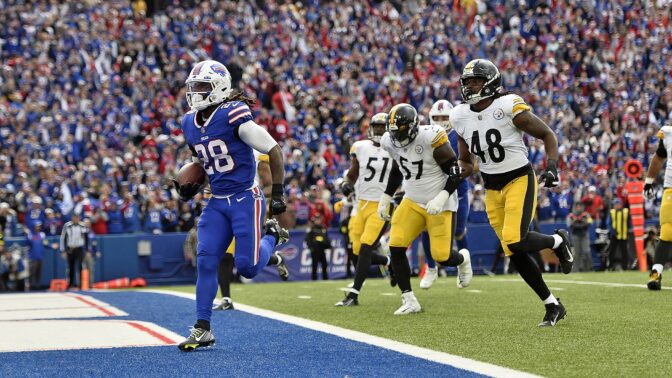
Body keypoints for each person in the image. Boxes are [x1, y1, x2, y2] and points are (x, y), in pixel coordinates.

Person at [173, 60, 289, 351]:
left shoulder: (234, 113)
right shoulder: (189, 122)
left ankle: (272, 237)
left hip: (244, 198)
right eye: (194, 86)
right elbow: (203, 158)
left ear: (219, 87)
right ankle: (203, 329)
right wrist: (193, 180)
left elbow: (274, 149)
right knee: (206, 260)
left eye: (202, 87)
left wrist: (277, 193)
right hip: (216, 201)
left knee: (246, 268)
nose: (195, 92)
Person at [450, 59, 574, 327]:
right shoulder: (459, 115)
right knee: (512, 250)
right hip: (491, 186)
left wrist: (552, 168)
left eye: (476, 81)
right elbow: (467, 162)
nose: (470, 86)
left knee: (515, 240)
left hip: (519, 178)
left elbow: (547, 134)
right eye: (467, 81)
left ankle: (558, 241)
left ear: (491, 83)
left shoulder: (508, 106)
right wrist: (456, 171)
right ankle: (552, 304)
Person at [377, 103, 473, 315]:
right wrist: (386, 195)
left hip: (440, 203)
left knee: (442, 257)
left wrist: (442, 196)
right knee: (396, 245)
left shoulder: (432, 137)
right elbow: (397, 166)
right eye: (393, 132)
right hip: (412, 200)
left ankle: (463, 259)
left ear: (413, 126)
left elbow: (456, 172)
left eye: (401, 131)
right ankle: (409, 299)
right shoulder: (389, 140)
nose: (397, 137)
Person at [213, 150, 287, 311]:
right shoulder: (215, 145)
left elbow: (269, 183)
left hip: (246, 206)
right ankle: (226, 298)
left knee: (246, 262)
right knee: (225, 255)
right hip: (225, 205)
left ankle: (274, 250)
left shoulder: (254, 151)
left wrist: (252, 191)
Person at [335, 113, 393, 306]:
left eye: (381, 127)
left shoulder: (396, 148)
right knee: (357, 249)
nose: (378, 130)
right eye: (375, 127)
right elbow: (353, 173)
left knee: (367, 246)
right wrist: (346, 183)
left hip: (381, 205)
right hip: (361, 206)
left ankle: (354, 294)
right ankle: (388, 262)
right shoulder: (360, 147)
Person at [419, 99, 472, 289]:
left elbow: (469, 163)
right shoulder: (425, 135)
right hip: (432, 189)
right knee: (426, 227)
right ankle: (431, 268)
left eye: (444, 117)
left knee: (458, 232)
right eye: (437, 117)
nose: (441, 121)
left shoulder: (459, 135)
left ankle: (463, 266)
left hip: (457, 190)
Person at [643, 124, 672, 289]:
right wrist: (648, 182)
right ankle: (656, 273)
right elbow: (659, 157)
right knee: (667, 231)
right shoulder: (668, 133)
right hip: (670, 188)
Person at [59, 212, 89, 290]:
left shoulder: (83, 225)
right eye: (74, 217)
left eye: (77, 217)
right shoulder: (67, 225)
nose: (76, 219)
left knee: (80, 267)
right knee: (70, 267)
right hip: (71, 249)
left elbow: (86, 238)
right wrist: (63, 250)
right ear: (72, 218)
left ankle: (81, 284)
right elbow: (63, 238)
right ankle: (70, 284)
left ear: (79, 218)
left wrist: (87, 250)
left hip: (79, 248)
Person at [606, 199, 631, 271]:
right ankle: (610, 266)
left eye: (618, 204)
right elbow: (608, 223)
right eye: (616, 204)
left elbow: (629, 222)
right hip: (614, 235)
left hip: (624, 235)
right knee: (612, 251)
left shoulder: (626, 212)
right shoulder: (612, 212)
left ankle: (625, 267)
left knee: (624, 252)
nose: (617, 206)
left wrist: (628, 231)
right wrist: (613, 231)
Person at [567, 202, 593, 272]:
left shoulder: (586, 214)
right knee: (577, 253)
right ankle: (576, 270)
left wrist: (580, 223)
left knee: (586, 252)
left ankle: (588, 269)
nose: (578, 208)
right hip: (575, 235)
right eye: (577, 207)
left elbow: (590, 222)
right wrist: (581, 224)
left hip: (584, 235)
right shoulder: (571, 215)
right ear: (575, 208)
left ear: (582, 207)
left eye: (580, 207)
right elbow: (569, 224)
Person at [305, 213, 331, 280]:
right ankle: (314, 279)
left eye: (319, 219)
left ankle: (325, 279)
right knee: (315, 265)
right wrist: (311, 247)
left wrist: (328, 245)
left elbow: (326, 238)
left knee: (324, 265)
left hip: (322, 249)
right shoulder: (312, 229)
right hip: (315, 250)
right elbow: (308, 239)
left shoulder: (323, 228)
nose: (317, 221)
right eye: (316, 219)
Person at [25, 222, 49, 290]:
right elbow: (28, 243)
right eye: (37, 226)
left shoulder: (42, 234)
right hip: (33, 257)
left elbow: (45, 243)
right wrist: (27, 235)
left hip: (40, 256)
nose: (38, 227)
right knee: (32, 272)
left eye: (39, 226)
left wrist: (51, 246)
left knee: (39, 272)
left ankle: (37, 286)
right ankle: (29, 286)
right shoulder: (30, 235)